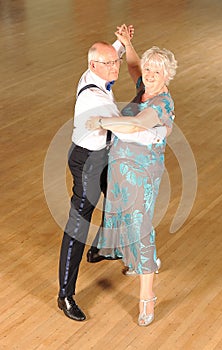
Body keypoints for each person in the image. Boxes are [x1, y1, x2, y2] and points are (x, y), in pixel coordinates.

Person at [86, 24, 178, 326]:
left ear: (167, 77)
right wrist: (125, 44)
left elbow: (137, 126)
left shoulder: (162, 103)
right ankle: (134, 261)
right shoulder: (143, 87)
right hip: (119, 175)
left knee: (139, 228)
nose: (149, 75)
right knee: (123, 219)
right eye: (149, 70)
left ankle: (147, 298)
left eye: (157, 72)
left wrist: (102, 120)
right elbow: (136, 67)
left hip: (140, 176)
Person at [57, 25, 134, 321]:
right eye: (110, 63)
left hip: (101, 154)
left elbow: (109, 52)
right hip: (87, 161)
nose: (115, 66)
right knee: (78, 225)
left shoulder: (94, 71)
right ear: (93, 66)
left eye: (116, 61)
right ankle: (65, 295)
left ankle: (99, 249)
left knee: (117, 197)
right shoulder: (95, 100)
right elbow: (128, 127)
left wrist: (122, 42)